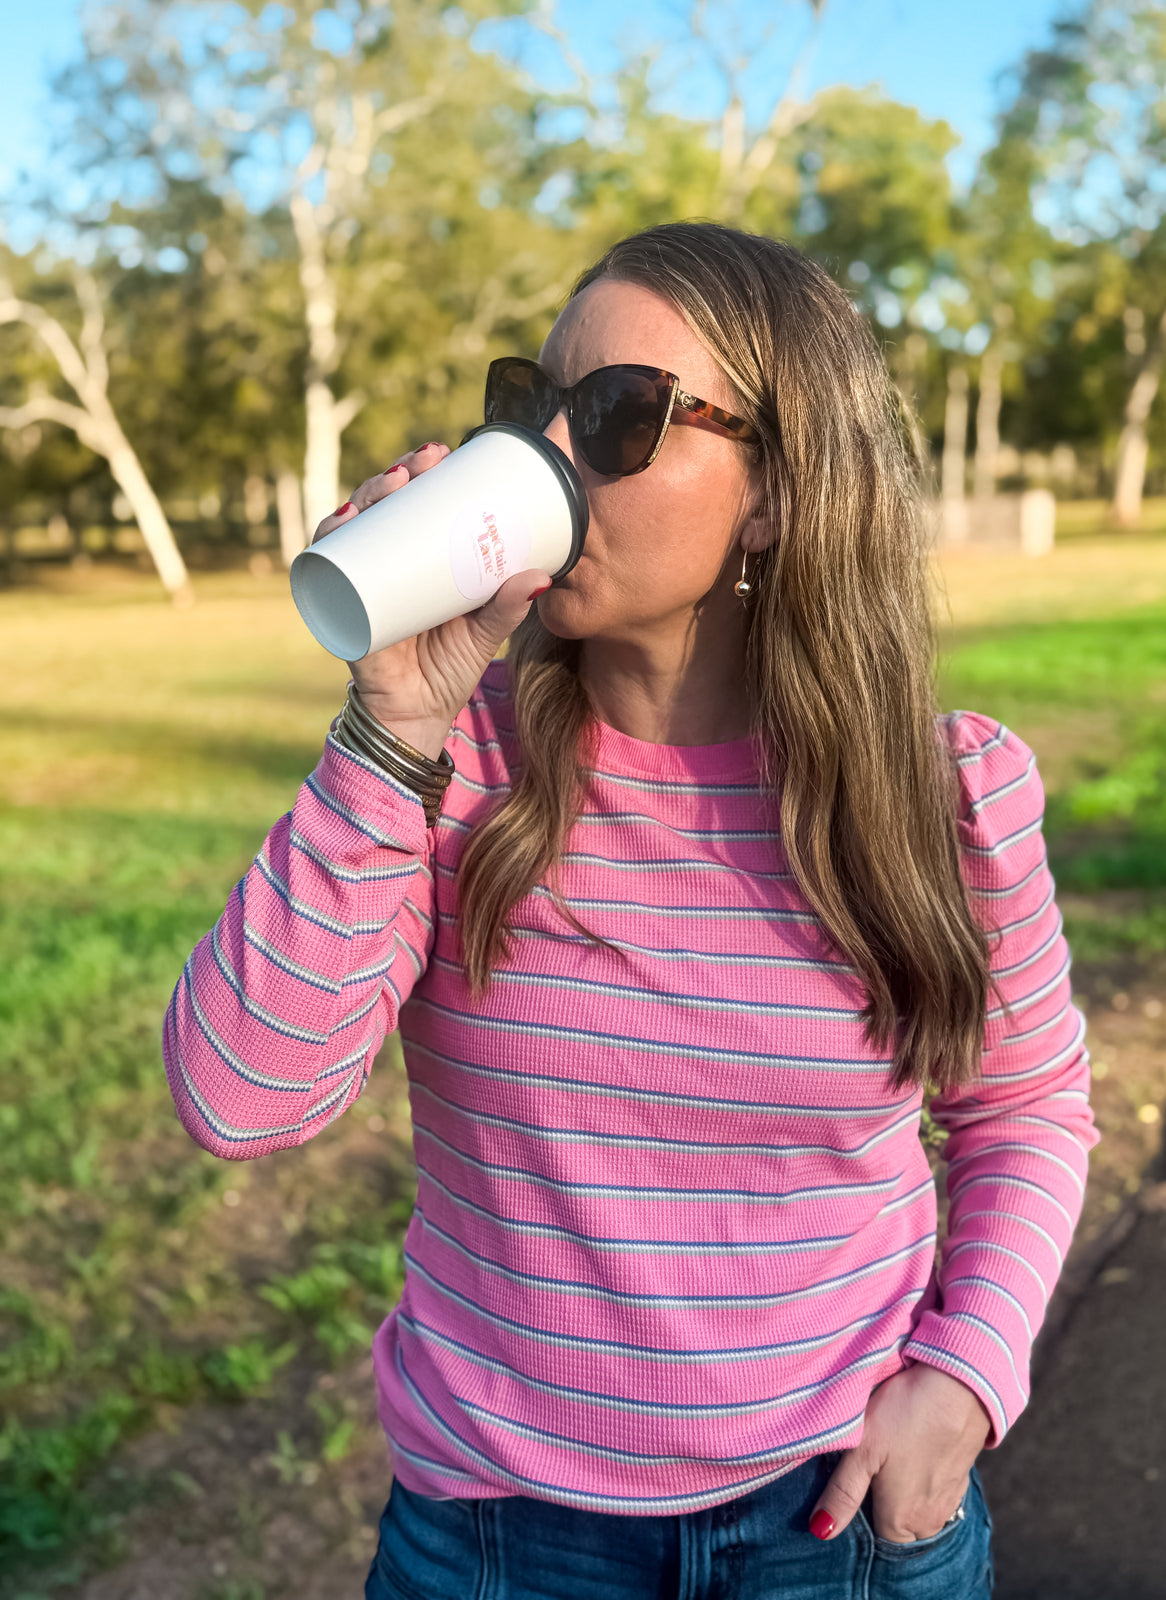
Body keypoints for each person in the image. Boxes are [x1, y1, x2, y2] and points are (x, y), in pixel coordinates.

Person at [162, 221, 1097, 1599]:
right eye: (528, 405)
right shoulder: (449, 765)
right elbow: (239, 1104)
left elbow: (1024, 1107)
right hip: (497, 1540)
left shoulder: (945, 791)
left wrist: (966, 1376)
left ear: (775, 493)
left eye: (613, 415)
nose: (544, 452)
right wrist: (391, 726)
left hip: (833, 1524)